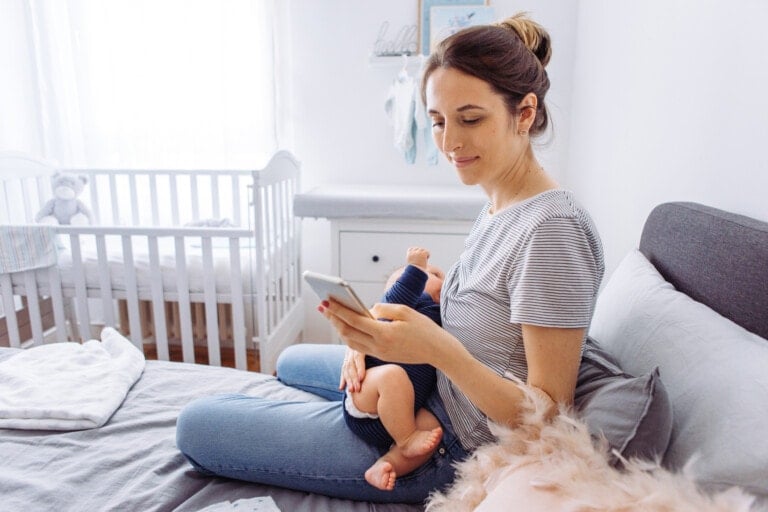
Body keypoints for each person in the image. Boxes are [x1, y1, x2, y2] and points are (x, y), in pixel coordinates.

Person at [176, 13, 604, 505]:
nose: (449, 142)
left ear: (524, 113)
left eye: (470, 119)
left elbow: (547, 418)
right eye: (438, 121)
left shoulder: (553, 230)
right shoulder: (500, 205)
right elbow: (490, 313)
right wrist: (378, 337)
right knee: (292, 359)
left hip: (447, 442)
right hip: (429, 383)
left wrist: (435, 348)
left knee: (196, 425)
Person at [345, 247, 444, 491]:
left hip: (402, 414)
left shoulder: (441, 314)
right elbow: (399, 296)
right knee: (392, 375)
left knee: (434, 428)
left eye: (441, 274)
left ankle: (387, 464)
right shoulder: (408, 305)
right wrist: (417, 269)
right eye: (433, 274)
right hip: (368, 399)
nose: (442, 278)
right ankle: (407, 439)